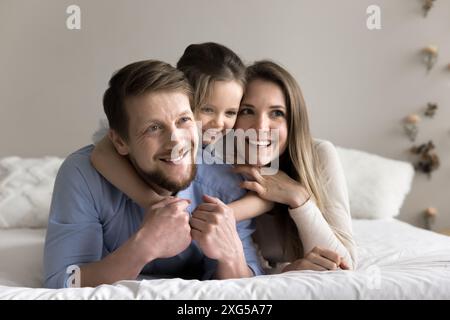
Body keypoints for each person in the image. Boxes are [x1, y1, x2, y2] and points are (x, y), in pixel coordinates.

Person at [43, 60, 263, 289]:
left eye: (184, 120)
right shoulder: (82, 176)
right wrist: (143, 247)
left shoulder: (226, 183)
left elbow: (246, 289)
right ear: (119, 141)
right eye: (154, 128)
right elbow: (64, 281)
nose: (176, 140)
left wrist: (231, 256)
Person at [91, 42, 274, 221]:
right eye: (207, 109)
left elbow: (267, 197)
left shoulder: (233, 141)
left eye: (230, 112)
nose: (219, 123)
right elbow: (101, 154)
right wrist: (156, 203)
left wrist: (223, 215)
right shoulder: (145, 130)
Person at [233, 60, 357, 273]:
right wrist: (287, 271)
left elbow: (345, 265)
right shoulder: (217, 165)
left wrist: (299, 198)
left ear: (292, 122)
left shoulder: (319, 155)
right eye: (247, 111)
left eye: (277, 113)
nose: (261, 127)